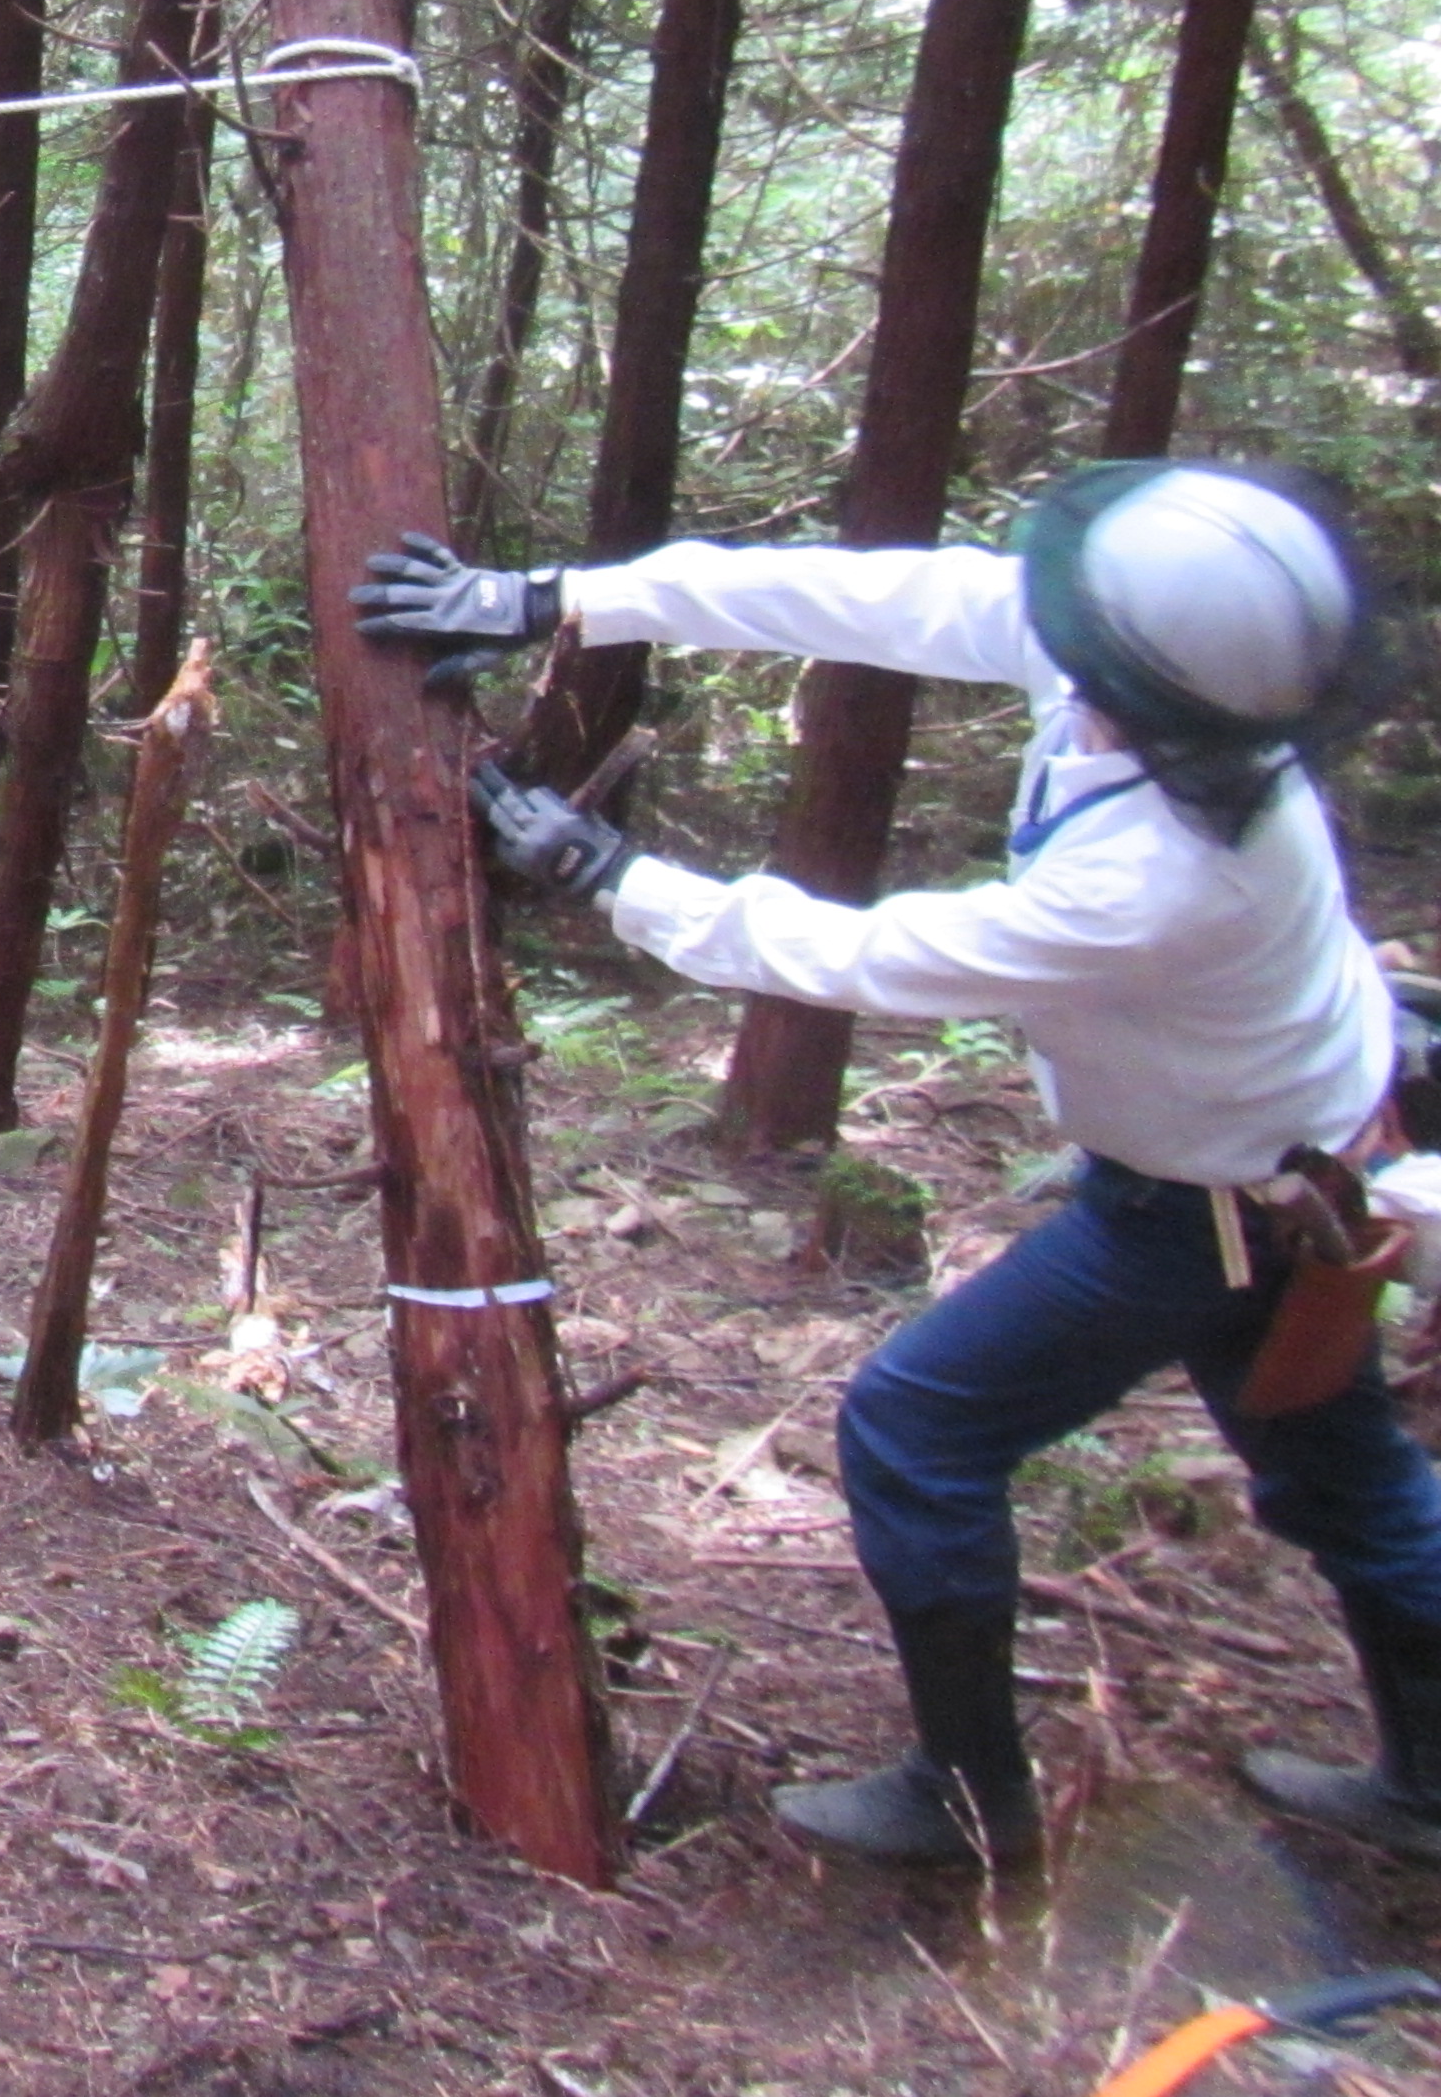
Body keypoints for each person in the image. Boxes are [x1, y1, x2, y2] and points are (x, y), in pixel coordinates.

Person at [357, 465, 1433, 1868]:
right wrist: (557, 598)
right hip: (1272, 1165)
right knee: (1341, 1478)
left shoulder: (1164, 879)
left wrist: (614, 876)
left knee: (919, 1430)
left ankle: (970, 1803)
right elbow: (879, 596)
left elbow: (876, 957)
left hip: (1224, 1212)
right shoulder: (1177, 699)